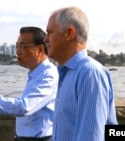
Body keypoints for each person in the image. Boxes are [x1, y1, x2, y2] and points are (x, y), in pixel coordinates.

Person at [44, 6, 118, 141]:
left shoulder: (89, 74)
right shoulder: (67, 73)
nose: (45, 39)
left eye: (49, 33)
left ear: (69, 34)